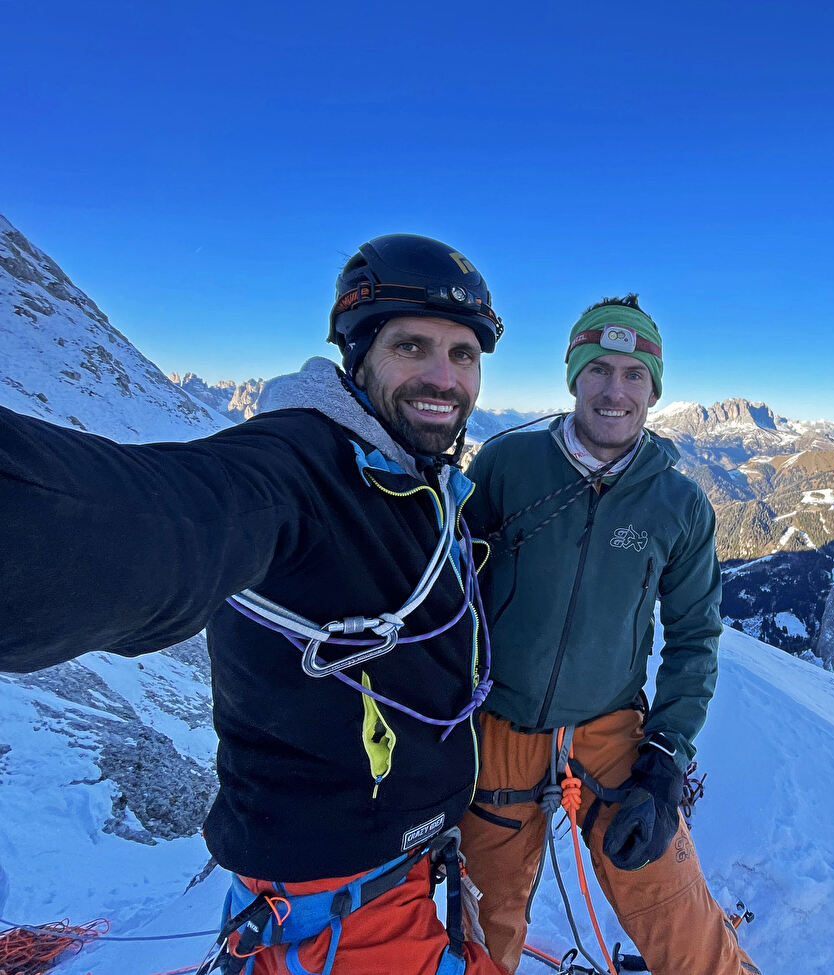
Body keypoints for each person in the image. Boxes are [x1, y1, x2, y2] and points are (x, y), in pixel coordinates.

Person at [0, 234, 511, 975]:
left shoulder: (411, 472)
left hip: (385, 873)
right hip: (342, 900)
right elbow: (172, 516)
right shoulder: (295, 465)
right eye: (412, 346)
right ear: (357, 356)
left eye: (463, 355)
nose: (443, 376)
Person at [461, 295, 761, 974]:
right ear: (574, 376)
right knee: (483, 918)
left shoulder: (678, 504)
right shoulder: (508, 467)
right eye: (599, 369)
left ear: (654, 390)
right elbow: (456, 595)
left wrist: (665, 756)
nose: (615, 390)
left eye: (634, 374)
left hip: (613, 732)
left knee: (680, 918)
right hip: (502, 725)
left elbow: (694, 635)